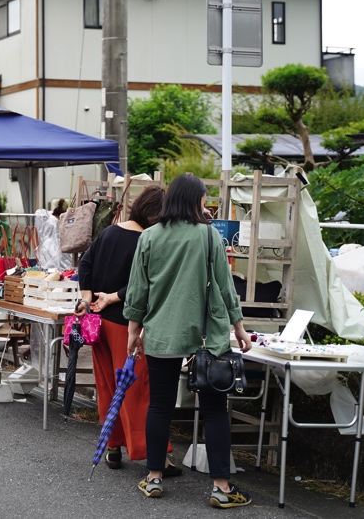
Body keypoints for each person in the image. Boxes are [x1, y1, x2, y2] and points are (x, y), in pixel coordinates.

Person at [124, 173, 253, 509]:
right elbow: (225, 287)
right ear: (195, 200)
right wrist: (238, 327)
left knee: (160, 405)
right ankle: (221, 487)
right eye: (203, 198)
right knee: (214, 411)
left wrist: (133, 331)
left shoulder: (149, 237)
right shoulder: (209, 237)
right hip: (206, 336)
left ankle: (153, 478)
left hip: (162, 331)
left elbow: (139, 290)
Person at [76, 185, 176, 472]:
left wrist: (88, 297)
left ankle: (113, 446)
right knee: (137, 389)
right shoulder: (149, 239)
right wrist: (116, 296)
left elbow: (85, 265)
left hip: (99, 323)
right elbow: (146, 283)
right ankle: (154, 454)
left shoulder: (110, 231)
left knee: (107, 385)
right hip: (126, 323)